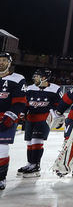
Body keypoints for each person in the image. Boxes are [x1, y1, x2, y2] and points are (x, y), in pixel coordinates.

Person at [18, 69, 61, 178]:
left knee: (36, 141)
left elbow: (59, 105)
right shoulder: (30, 88)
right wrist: (22, 113)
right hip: (30, 118)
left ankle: (36, 165)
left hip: (44, 118)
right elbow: (25, 103)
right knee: (29, 142)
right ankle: (30, 163)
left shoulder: (55, 89)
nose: (34, 78)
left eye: (37, 76)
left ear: (44, 78)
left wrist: (57, 116)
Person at [0, 52, 26, 191]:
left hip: (5, 117)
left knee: (1, 149)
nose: (1, 62)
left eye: (4, 60)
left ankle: (0, 178)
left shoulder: (17, 79)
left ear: (9, 63)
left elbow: (20, 102)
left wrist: (10, 117)